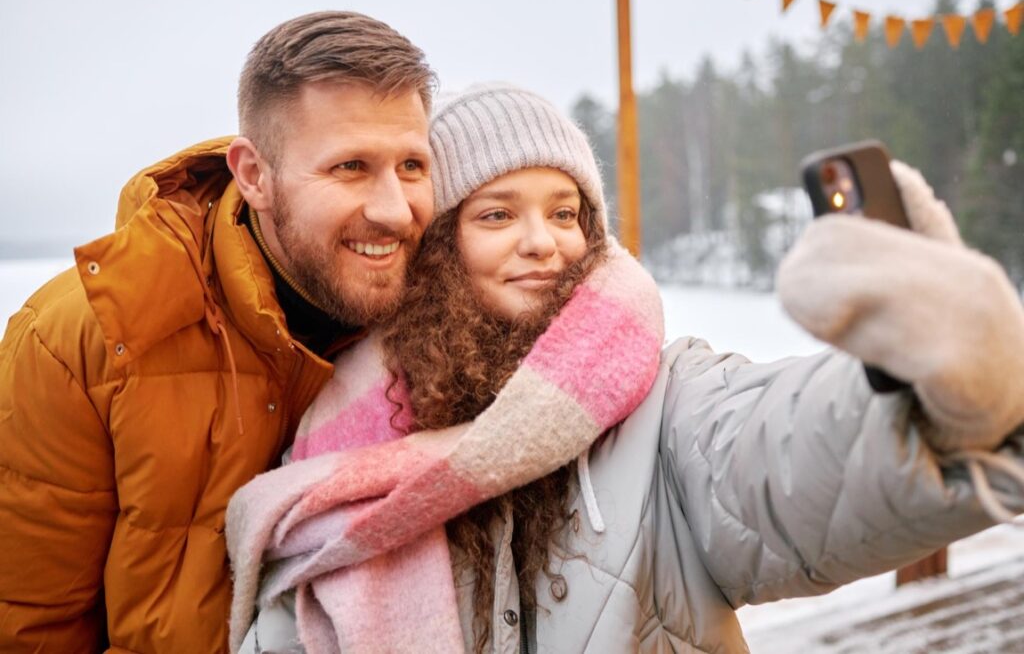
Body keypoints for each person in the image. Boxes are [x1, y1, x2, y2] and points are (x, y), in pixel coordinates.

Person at [227, 83, 1024, 653]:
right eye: (498, 214)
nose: (544, 242)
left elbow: (782, 450)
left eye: (566, 212)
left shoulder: (661, 402)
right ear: (438, 245)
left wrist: (952, 394)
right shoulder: (343, 442)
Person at [0, 11, 437, 652]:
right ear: (254, 176)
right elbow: (28, 627)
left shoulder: (449, 331)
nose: (394, 209)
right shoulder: (81, 342)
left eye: (412, 166)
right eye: (349, 167)